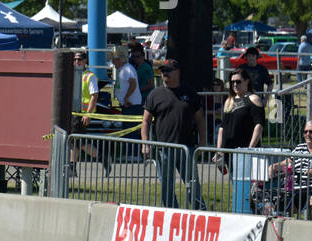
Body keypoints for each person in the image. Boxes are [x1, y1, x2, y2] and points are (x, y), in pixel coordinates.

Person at [141, 58, 205, 209]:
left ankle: (200, 212)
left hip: (187, 148)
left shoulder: (189, 93)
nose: (165, 73)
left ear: (177, 72)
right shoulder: (155, 94)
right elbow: (145, 121)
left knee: (192, 183)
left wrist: (203, 142)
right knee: (166, 185)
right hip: (164, 149)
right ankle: (172, 213)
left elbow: (200, 120)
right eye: (163, 71)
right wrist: (145, 143)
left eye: (168, 70)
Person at [214, 68, 265, 212]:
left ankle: (250, 212)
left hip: (246, 151)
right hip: (230, 150)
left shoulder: (253, 99)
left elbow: (259, 125)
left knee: (249, 187)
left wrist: (250, 148)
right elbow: (222, 128)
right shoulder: (229, 101)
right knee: (236, 184)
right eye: (232, 82)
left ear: (247, 81)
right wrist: (219, 150)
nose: (235, 85)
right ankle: (239, 211)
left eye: (238, 81)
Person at [265, 119, 312, 219]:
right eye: (305, 132)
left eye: (311, 132)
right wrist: (275, 166)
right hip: (297, 188)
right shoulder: (300, 148)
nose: (307, 134)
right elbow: (289, 162)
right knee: (271, 200)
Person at [112, 47, 141, 115]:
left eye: (114, 60)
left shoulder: (127, 69)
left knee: (130, 125)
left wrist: (126, 98)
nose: (113, 63)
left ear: (120, 60)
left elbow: (133, 84)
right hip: (127, 104)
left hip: (131, 105)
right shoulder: (123, 69)